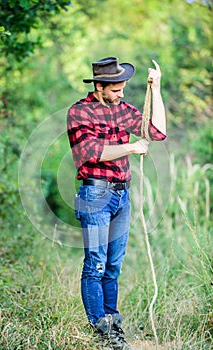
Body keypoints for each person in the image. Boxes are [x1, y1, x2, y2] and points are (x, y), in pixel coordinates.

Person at [67, 57, 166, 349]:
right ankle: (101, 330)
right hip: (95, 195)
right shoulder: (79, 111)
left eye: (123, 88)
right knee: (95, 265)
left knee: (113, 266)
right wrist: (131, 147)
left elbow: (157, 132)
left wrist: (156, 89)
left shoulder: (124, 111)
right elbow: (91, 151)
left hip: (123, 195)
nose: (122, 94)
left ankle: (113, 324)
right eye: (116, 89)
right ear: (99, 86)